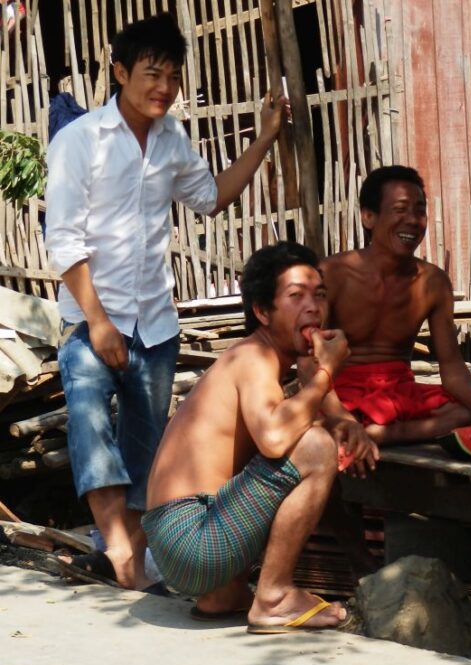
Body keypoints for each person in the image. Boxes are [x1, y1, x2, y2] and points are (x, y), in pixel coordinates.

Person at [45, 12, 289, 591]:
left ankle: (125, 550)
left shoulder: (173, 139)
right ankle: (128, 559)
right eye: (152, 73)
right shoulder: (79, 141)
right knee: (89, 432)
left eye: (173, 77)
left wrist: (264, 139)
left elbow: (211, 198)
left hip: (155, 321)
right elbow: (64, 239)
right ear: (120, 71)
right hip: (91, 320)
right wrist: (100, 324)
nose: (164, 87)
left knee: (146, 447)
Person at [143, 241, 375, 629]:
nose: (313, 307)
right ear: (262, 312)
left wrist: (345, 421)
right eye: (295, 296)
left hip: (179, 544)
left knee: (314, 433)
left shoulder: (268, 358)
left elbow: (311, 403)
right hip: (192, 539)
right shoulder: (254, 357)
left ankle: (224, 596)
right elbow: (273, 437)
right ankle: (273, 596)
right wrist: (327, 373)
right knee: (315, 446)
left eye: (319, 295)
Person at [323, 164, 471, 444]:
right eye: (400, 210)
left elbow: (451, 364)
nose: (412, 220)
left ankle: (384, 435)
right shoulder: (331, 274)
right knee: (318, 423)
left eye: (419, 210)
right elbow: (310, 361)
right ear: (368, 217)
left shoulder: (433, 281)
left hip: (402, 392)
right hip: (343, 397)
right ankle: (440, 427)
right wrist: (336, 414)